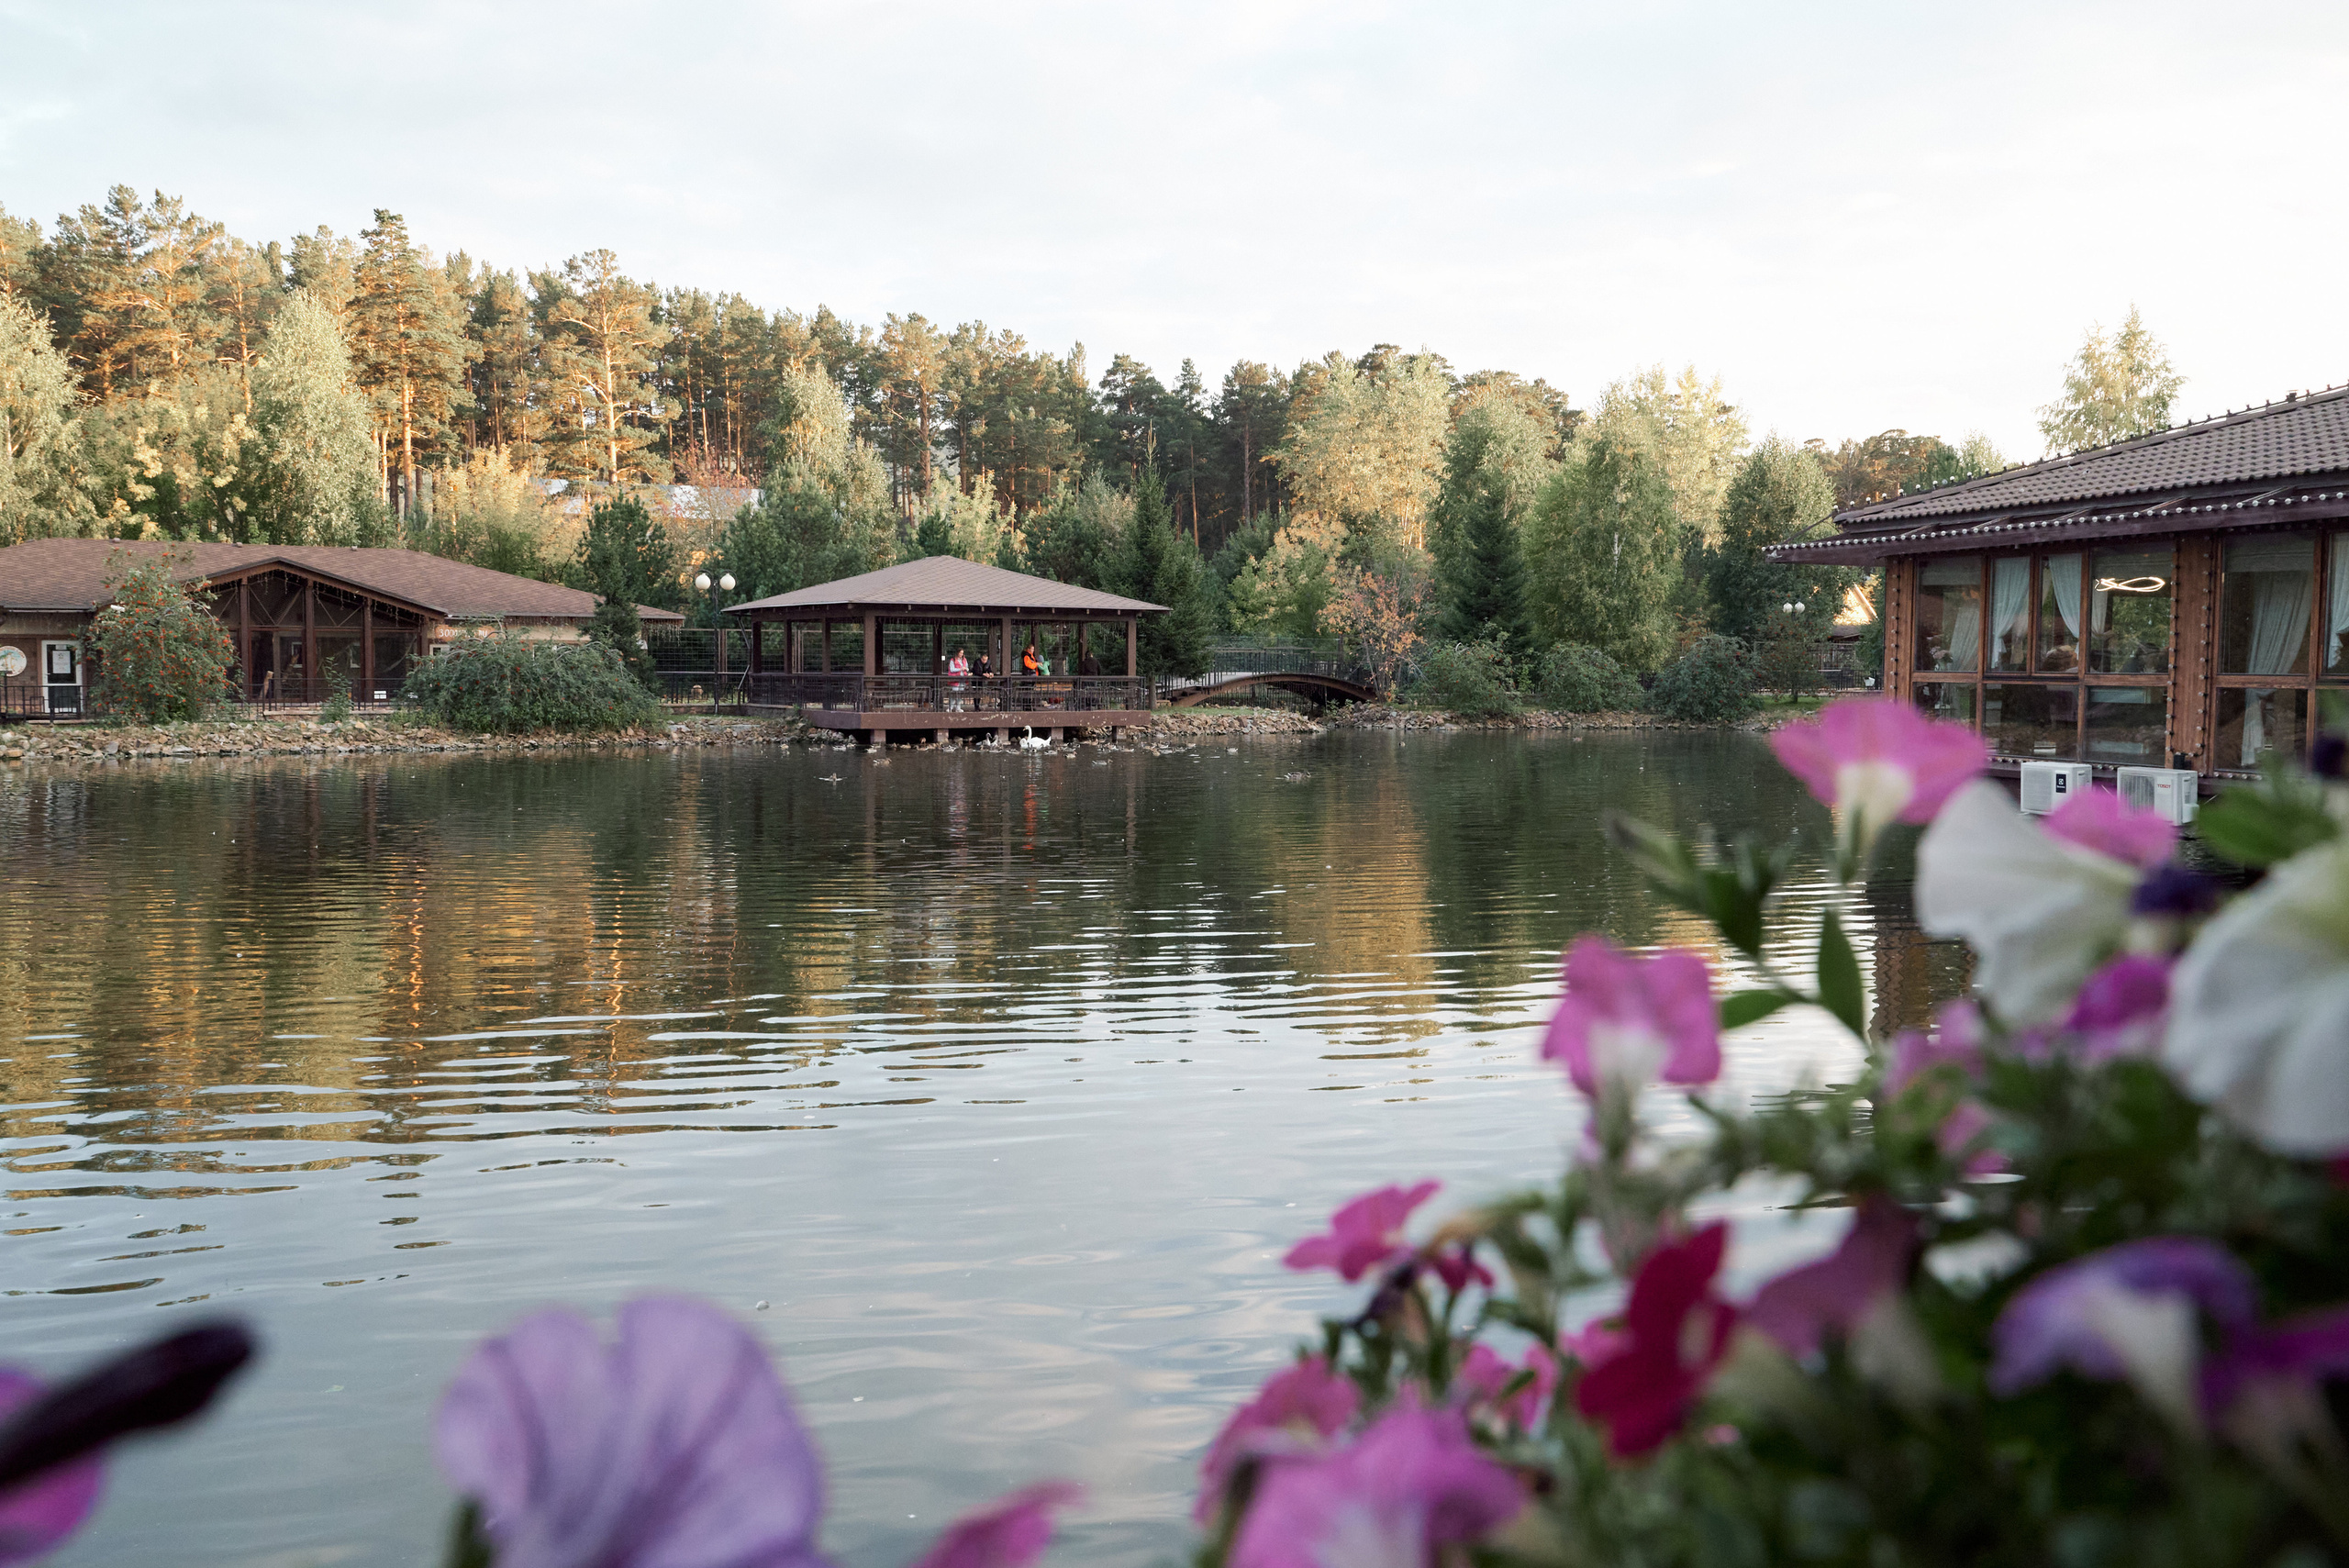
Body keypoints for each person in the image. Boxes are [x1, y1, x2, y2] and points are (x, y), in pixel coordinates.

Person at [947, 646, 970, 711]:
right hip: (955, 678)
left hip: (963, 678)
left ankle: (958, 708)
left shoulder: (964, 660)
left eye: (962, 653)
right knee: (954, 693)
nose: (961, 654)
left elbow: (967, 668)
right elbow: (951, 669)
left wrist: (966, 669)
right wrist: (960, 669)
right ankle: (950, 707)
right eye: (960, 653)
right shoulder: (953, 660)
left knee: (960, 694)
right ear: (957, 653)